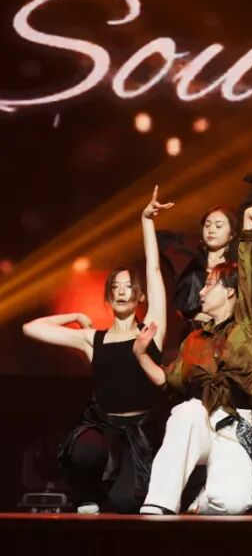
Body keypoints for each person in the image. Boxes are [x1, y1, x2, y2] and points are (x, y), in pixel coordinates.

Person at [22, 188, 168, 514]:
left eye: (128, 286)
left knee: (125, 502)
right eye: (115, 287)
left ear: (141, 296)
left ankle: (109, 489)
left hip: (140, 433)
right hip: (102, 427)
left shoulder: (151, 330)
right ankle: (85, 493)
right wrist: (73, 316)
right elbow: (31, 328)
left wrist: (146, 221)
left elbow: (155, 269)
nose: (121, 291)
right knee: (86, 449)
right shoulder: (92, 339)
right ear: (108, 296)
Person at [135, 197, 252, 515]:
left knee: (232, 503)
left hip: (234, 422)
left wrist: (250, 227)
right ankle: (158, 505)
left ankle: (208, 497)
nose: (200, 291)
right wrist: (141, 355)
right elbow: (167, 379)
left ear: (230, 291)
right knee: (186, 412)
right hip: (200, 420)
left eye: (209, 285)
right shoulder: (194, 339)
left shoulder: (249, 326)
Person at [168, 160, 252, 338]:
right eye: (207, 225)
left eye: (218, 225)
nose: (211, 229)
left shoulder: (237, 251)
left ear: (232, 234)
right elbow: (183, 305)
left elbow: (247, 211)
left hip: (243, 329)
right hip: (204, 339)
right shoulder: (195, 265)